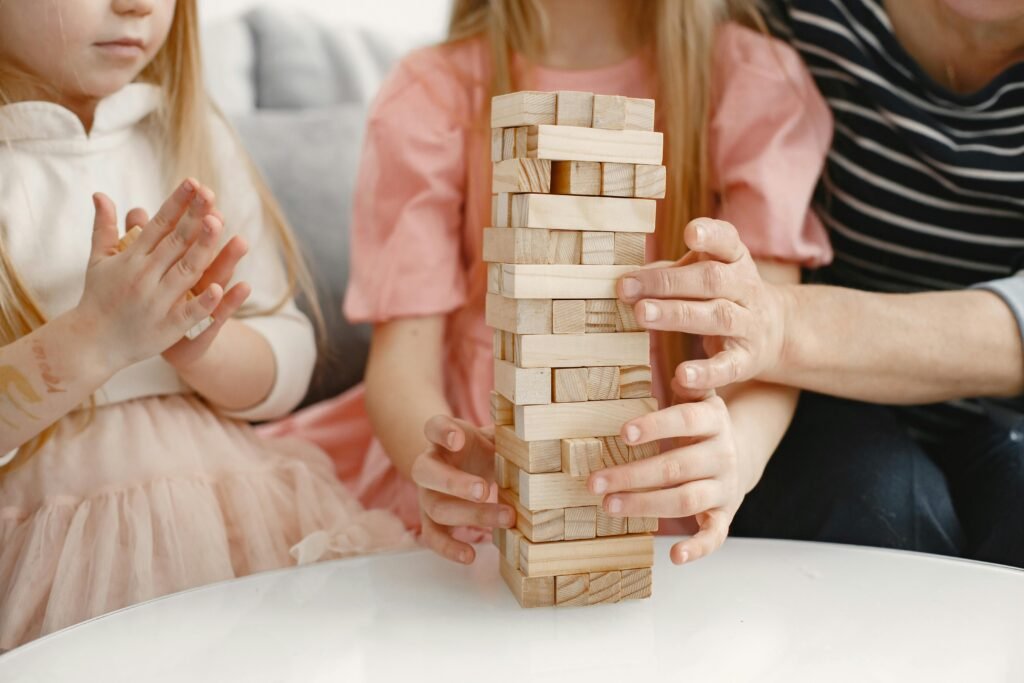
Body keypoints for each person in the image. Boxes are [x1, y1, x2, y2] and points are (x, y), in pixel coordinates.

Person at [266, 0, 835, 566]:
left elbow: (762, 347)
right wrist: (443, 462)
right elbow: (401, 367)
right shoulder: (429, 93)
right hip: (480, 465)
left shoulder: (753, 81)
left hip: (648, 476)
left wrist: (738, 451)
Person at [0, 0, 409, 649]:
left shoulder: (189, 132)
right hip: (38, 529)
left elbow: (287, 356)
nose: (135, 6)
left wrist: (203, 347)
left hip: (226, 507)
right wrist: (92, 342)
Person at [611, 0, 1024, 567]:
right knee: (876, 508)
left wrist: (780, 325)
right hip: (816, 405)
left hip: (997, 419)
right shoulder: (791, 20)